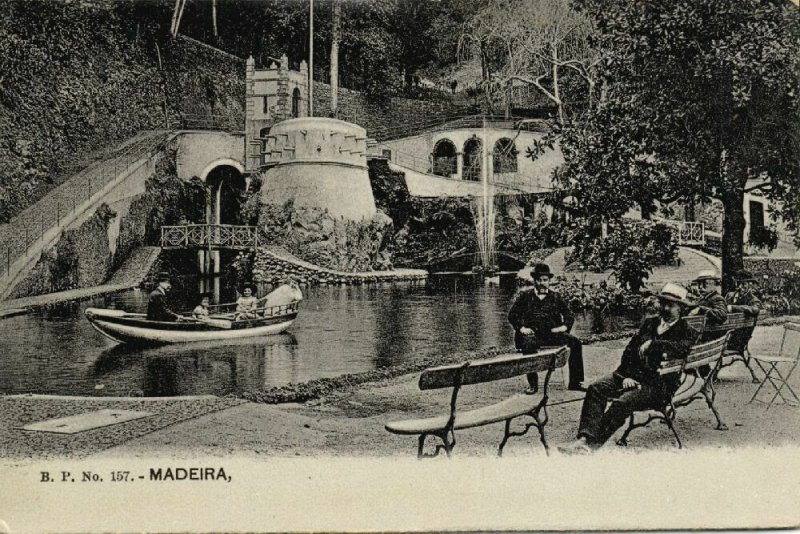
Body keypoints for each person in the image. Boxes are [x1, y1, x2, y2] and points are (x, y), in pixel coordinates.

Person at [557, 283, 698, 454]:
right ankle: (584, 438)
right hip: (631, 376)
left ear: (681, 309)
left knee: (622, 403)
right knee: (596, 388)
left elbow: (681, 348)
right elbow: (629, 351)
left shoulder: (687, 331)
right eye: (663, 303)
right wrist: (625, 377)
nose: (665, 308)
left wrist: (654, 344)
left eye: (671, 305)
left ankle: (591, 446)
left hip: (657, 387)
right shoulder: (650, 323)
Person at [508, 263, 585, 392]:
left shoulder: (555, 297)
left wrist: (564, 327)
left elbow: (569, 315)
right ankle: (533, 385)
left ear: (549, 281)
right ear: (535, 281)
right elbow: (512, 315)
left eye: (545, 280)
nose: (542, 283)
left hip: (551, 334)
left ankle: (575, 383)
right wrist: (521, 328)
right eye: (539, 280)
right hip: (531, 335)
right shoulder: (525, 297)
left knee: (575, 343)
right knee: (528, 345)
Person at [725, 270, 762, 355]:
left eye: (743, 284)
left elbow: (754, 309)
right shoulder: (729, 296)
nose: (740, 287)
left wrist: (732, 307)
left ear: (750, 285)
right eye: (738, 284)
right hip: (725, 336)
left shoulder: (753, 300)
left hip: (735, 342)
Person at [687, 269, 728, 339]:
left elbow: (722, 315)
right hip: (700, 331)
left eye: (704, 284)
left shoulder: (717, 298)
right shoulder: (704, 297)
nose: (700, 287)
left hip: (709, 335)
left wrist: (701, 309)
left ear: (714, 284)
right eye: (699, 284)